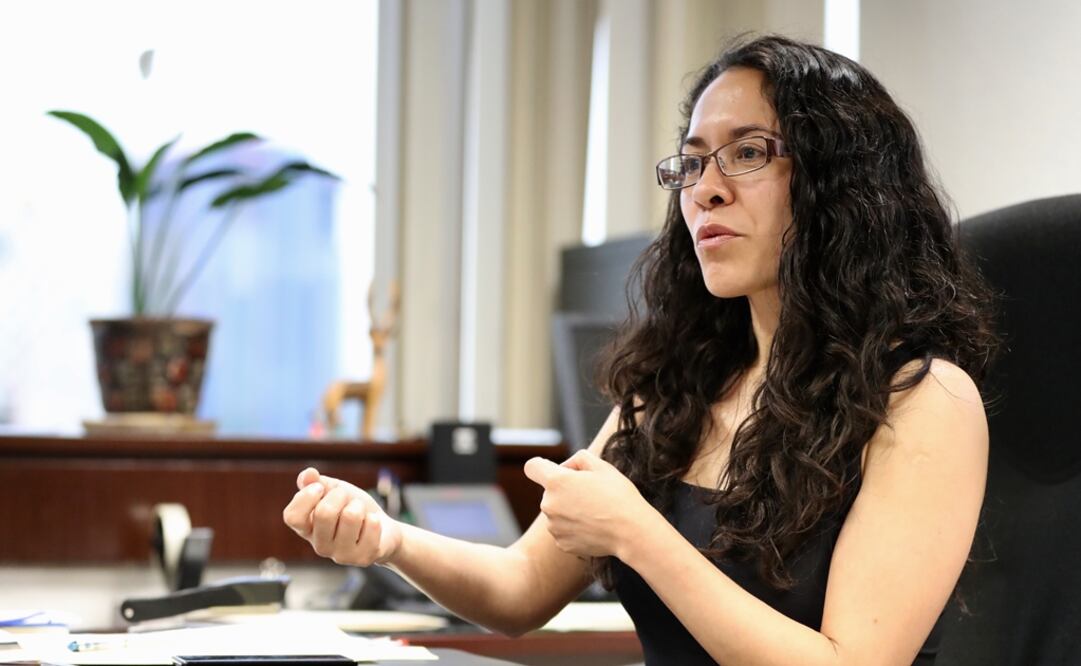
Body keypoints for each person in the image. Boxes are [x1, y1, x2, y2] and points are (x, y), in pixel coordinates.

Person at [283, 34, 997, 665]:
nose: (705, 192)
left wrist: (639, 535)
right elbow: (519, 590)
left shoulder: (923, 401)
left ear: (842, 185)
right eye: (691, 165)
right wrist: (388, 539)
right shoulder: (677, 387)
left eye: (746, 154)